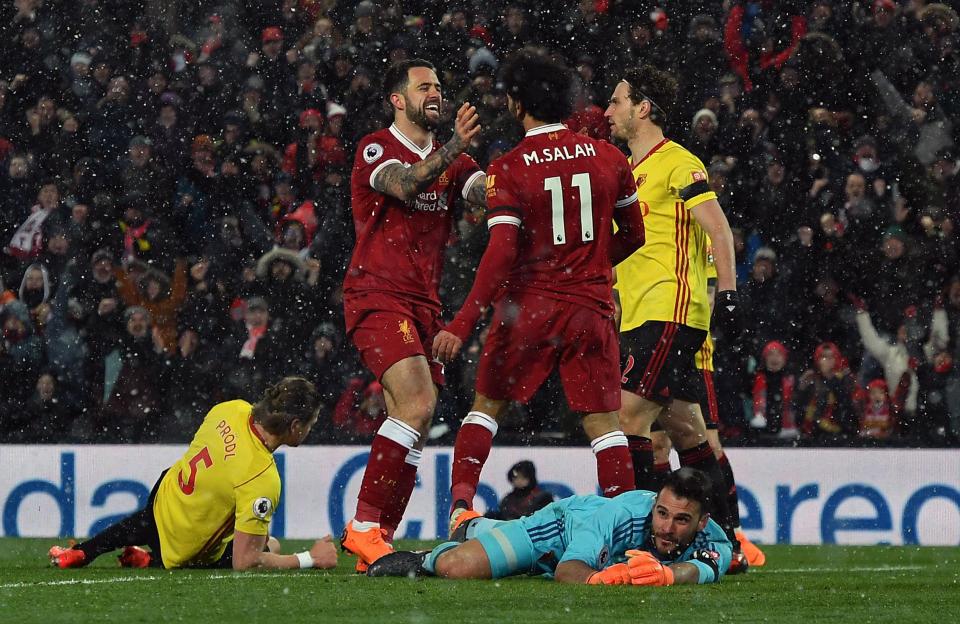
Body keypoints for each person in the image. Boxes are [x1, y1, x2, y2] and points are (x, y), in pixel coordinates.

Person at [432, 50, 646, 529]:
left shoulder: (508, 168)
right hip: (589, 309)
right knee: (604, 426)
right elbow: (634, 234)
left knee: (486, 408)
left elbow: (502, 251)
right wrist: (589, 268)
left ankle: (463, 508)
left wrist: (463, 321)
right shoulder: (610, 157)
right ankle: (628, 530)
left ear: (515, 104)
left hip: (527, 308)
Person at [339, 58, 486, 571]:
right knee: (419, 403)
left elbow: (482, 192)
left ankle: (379, 537)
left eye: (440, 86)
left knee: (415, 423)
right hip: (378, 292)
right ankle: (361, 527)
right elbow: (403, 185)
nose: (436, 93)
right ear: (398, 99)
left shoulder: (455, 161)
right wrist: (455, 150)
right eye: (425, 86)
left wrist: (526, 178)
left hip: (425, 304)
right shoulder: (376, 146)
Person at [603, 65, 742, 560]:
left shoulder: (678, 162)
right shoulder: (629, 173)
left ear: (643, 108)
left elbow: (719, 229)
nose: (608, 110)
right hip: (639, 314)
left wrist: (727, 291)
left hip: (670, 308)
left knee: (626, 417)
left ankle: (636, 545)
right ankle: (729, 541)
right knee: (687, 431)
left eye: (617, 100)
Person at [48, 377, 337, 571]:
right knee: (268, 544)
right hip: (179, 548)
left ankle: (84, 551)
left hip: (161, 502)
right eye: (311, 424)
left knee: (162, 516)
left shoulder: (231, 409)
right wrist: (309, 558)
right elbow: (244, 561)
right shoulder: (262, 477)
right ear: (295, 426)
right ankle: (152, 560)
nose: (310, 430)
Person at [367, 467, 731, 586]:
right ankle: (428, 555)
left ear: (702, 523)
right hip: (559, 532)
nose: (667, 527)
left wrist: (668, 576)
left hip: (585, 544)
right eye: (662, 514)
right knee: (456, 568)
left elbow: (708, 564)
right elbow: (568, 570)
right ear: (654, 505)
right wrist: (607, 579)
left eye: (681, 520)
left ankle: (478, 527)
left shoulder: (714, 536)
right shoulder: (616, 518)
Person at [490, 460, 554, 521]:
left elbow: (540, 520)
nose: (519, 480)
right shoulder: (507, 499)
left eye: (523, 477)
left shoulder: (543, 498)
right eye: (516, 477)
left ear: (531, 478)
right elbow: (502, 518)